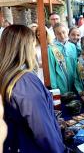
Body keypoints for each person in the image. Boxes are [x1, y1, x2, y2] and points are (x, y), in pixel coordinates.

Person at [0, 25, 64, 153]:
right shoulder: (25, 81)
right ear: (27, 47)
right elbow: (43, 131)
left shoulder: (6, 76)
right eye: (33, 45)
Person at [48, 23, 78, 94]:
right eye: (58, 33)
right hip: (60, 84)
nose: (62, 35)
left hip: (73, 82)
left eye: (63, 32)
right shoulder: (51, 48)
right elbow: (51, 68)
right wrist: (54, 87)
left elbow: (75, 65)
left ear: (67, 31)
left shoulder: (72, 46)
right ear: (55, 35)